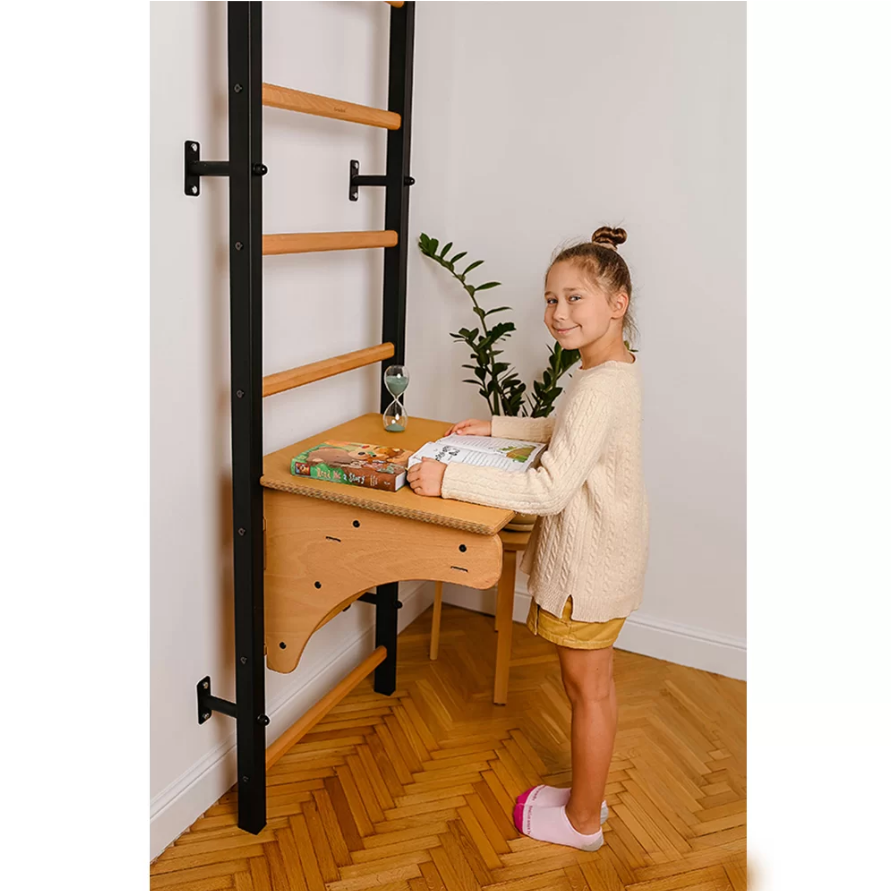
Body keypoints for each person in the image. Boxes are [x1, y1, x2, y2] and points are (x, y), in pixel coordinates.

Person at [406, 226, 649, 853]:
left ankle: (584, 823)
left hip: (591, 568)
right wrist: (499, 426)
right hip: (606, 555)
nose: (557, 313)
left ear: (616, 304)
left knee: (587, 690)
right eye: (551, 299)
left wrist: (447, 478)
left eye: (574, 299)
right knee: (590, 688)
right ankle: (584, 798)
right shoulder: (608, 371)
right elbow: (568, 429)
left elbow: (546, 492)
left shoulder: (600, 385)